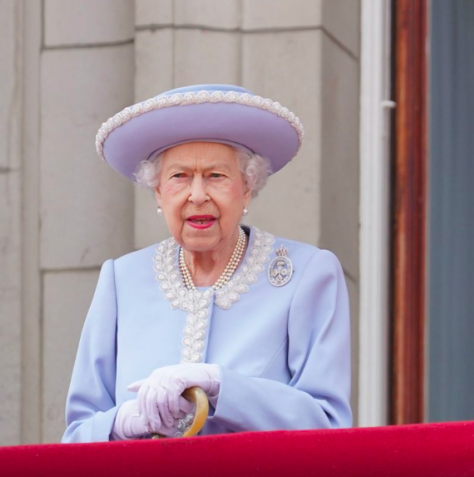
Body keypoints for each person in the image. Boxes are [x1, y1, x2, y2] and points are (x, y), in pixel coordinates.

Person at [63, 84, 352, 441]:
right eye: (179, 176)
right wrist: (121, 423)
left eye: (216, 176)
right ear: (158, 192)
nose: (197, 195)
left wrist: (220, 385)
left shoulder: (307, 274)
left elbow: (328, 425)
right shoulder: (121, 280)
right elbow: (77, 436)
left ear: (247, 188)